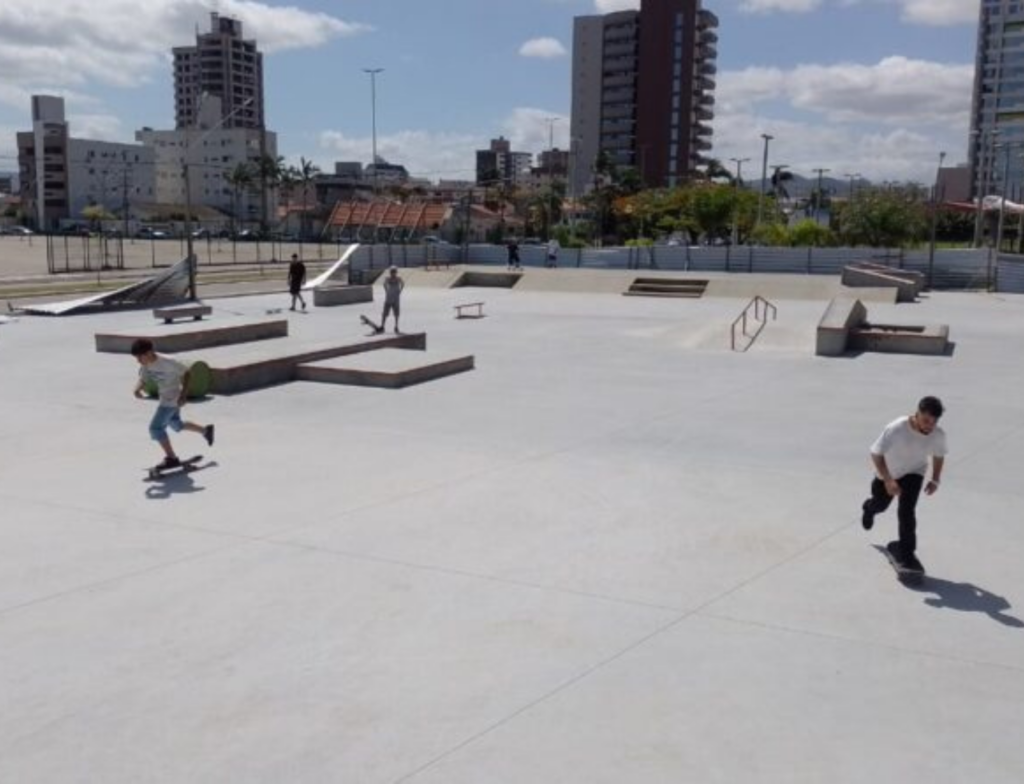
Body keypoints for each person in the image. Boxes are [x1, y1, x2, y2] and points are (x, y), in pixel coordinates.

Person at [862, 396, 947, 573]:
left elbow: (938, 455)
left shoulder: (937, 434)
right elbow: (876, 453)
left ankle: (907, 553)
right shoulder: (897, 428)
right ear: (917, 414)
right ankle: (869, 508)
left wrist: (935, 479)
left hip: (914, 472)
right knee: (881, 505)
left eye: (933, 422)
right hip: (887, 473)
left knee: (907, 511)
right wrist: (887, 479)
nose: (929, 426)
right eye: (926, 421)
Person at [131, 339, 214, 469]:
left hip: (172, 399)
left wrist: (183, 395)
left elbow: (187, 373)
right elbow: (144, 378)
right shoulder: (146, 364)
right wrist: (137, 388)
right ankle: (205, 431)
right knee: (177, 425)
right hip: (164, 398)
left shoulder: (168, 361)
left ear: (149, 353)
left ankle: (171, 458)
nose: (138, 361)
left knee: (156, 428)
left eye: (139, 357)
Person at [381, 266, 405, 334]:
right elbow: (384, 284)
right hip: (388, 299)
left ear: (396, 272)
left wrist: (400, 291)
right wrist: (386, 290)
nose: (393, 273)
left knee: (396, 314)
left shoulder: (398, 279)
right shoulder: (388, 278)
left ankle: (396, 326)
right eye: (392, 272)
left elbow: (403, 283)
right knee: (385, 313)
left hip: (395, 299)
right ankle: (382, 325)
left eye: (394, 272)